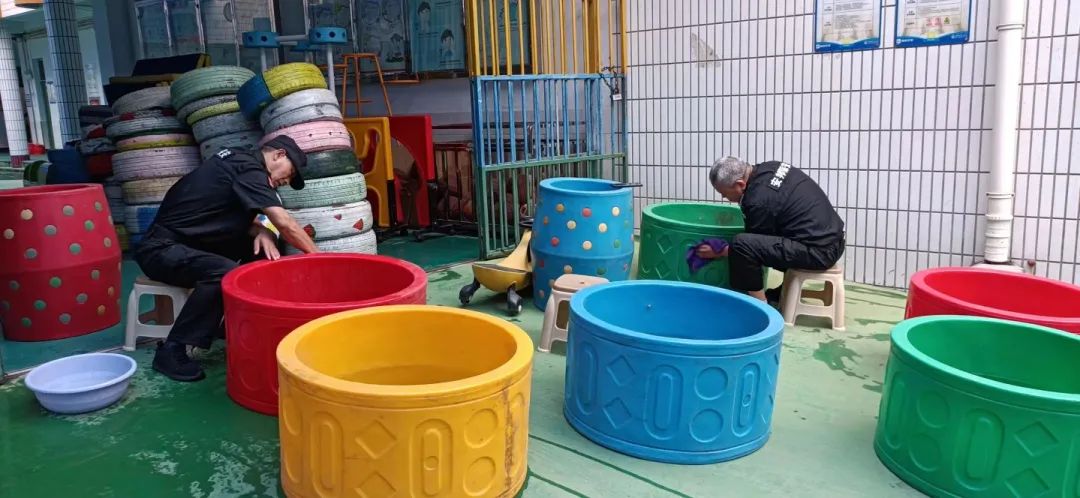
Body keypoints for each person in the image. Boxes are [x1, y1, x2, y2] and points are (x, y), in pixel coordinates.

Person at [135, 136, 319, 382]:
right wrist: (321, 260)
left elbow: (233, 213)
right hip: (161, 250)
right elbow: (285, 223)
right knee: (223, 272)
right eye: (291, 172)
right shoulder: (250, 170)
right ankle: (172, 349)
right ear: (279, 155)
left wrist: (264, 231)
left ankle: (238, 323)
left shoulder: (238, 160)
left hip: (190, 244)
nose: (286, 181)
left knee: (263, 249)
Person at [698, 156, 845, 304]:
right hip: (833, 240)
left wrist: (720, 251)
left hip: (819, 253)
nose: (723, 197)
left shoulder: (758, 201)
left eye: (724, 193)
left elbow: (750, 249)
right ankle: (782, 292)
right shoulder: (770, 167)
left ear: (740, 184)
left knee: (741, 246)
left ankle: (760, 306)